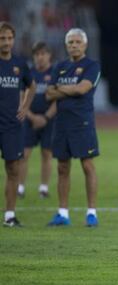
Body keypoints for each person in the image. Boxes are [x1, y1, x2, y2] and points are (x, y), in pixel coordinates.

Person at [45, 28, 101, 227]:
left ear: (85, 45)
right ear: (66, 45)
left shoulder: (92, 65)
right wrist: (68, 90)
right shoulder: (59, 66)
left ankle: (92, 212)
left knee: (87, 165)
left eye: (77, 42)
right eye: (70, 42)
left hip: (82, 122)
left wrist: (60, 89)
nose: (74, 45)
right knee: (62, 167)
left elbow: (82, 89)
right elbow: (48, 95)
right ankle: (63, 213)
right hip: (61, 122)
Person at [0, 22, 36, 227]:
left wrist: (25, 107)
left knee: (13, 169)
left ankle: (9, 216)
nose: (6, 42)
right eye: (2, 38)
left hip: (12, 126)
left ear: (13, 40)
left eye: (9, 38)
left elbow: (32, 85)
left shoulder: (20, 64)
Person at [18, 42, 56, 199]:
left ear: (49, 55)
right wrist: (32, 116)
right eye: (37, 54)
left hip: (49, 119)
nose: (40, 57)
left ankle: (44, 188)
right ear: (33, 57)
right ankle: (20, 188)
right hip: (29, 119)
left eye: (43, 54)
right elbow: (20, 98)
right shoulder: (28, 73)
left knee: (47, 153)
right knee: (24, 154)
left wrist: (46, 117)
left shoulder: (55, 73)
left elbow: (58, 99)